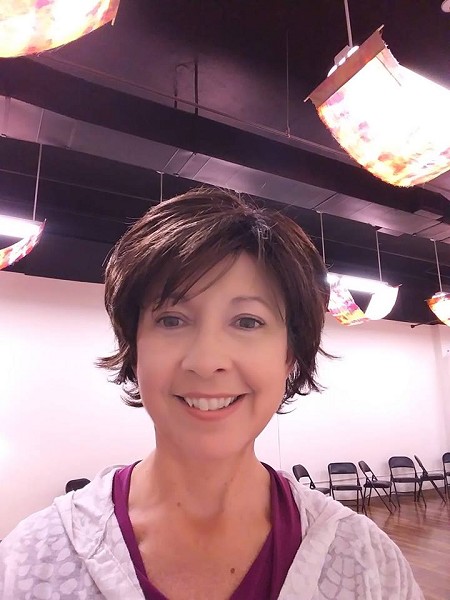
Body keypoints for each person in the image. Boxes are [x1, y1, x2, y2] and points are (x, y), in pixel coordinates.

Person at [0, 187, 423, 599]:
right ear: (135, 348)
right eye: (171, 319)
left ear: (290, 355)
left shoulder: (365, 561)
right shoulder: (35, 559)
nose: (206, 361)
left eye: (247, 321)